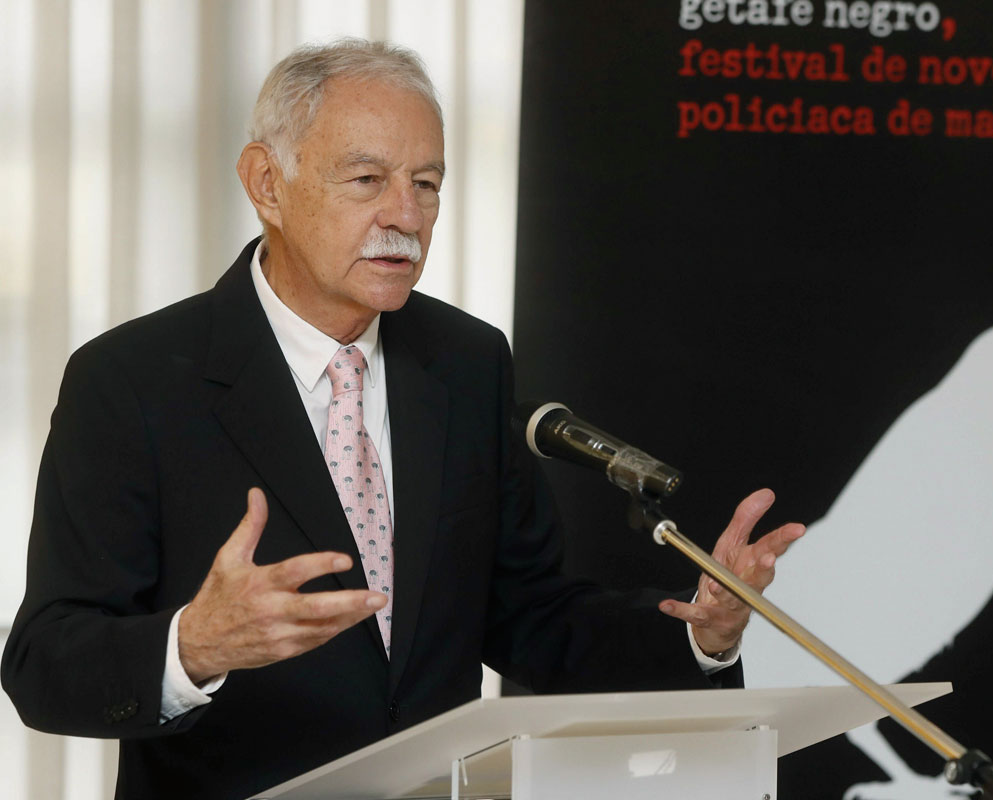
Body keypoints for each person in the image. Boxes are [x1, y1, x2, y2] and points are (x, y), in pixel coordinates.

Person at [1, 39, 804, 800]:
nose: (406, 216)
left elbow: (527, 615)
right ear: (266, 184)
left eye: (427, 183)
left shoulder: (465, 361)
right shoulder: (133, 380)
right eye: (366, 180)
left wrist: (699, 633)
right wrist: (192, 647)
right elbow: (44, 664)